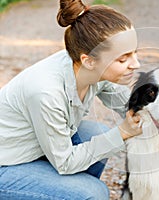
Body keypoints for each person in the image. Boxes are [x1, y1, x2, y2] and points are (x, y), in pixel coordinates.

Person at [0, 0, 142, 199]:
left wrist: (157, 114)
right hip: (6, 164)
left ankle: (66, 191)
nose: (135, 64)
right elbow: (65, 162)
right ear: (89, 61)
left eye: (135, 53)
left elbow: (128, 105)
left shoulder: (90, 67)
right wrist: (123, 132)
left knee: (97, 133)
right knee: (94, 193)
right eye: (123, 58)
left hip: (37, 148)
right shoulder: (46, 91)